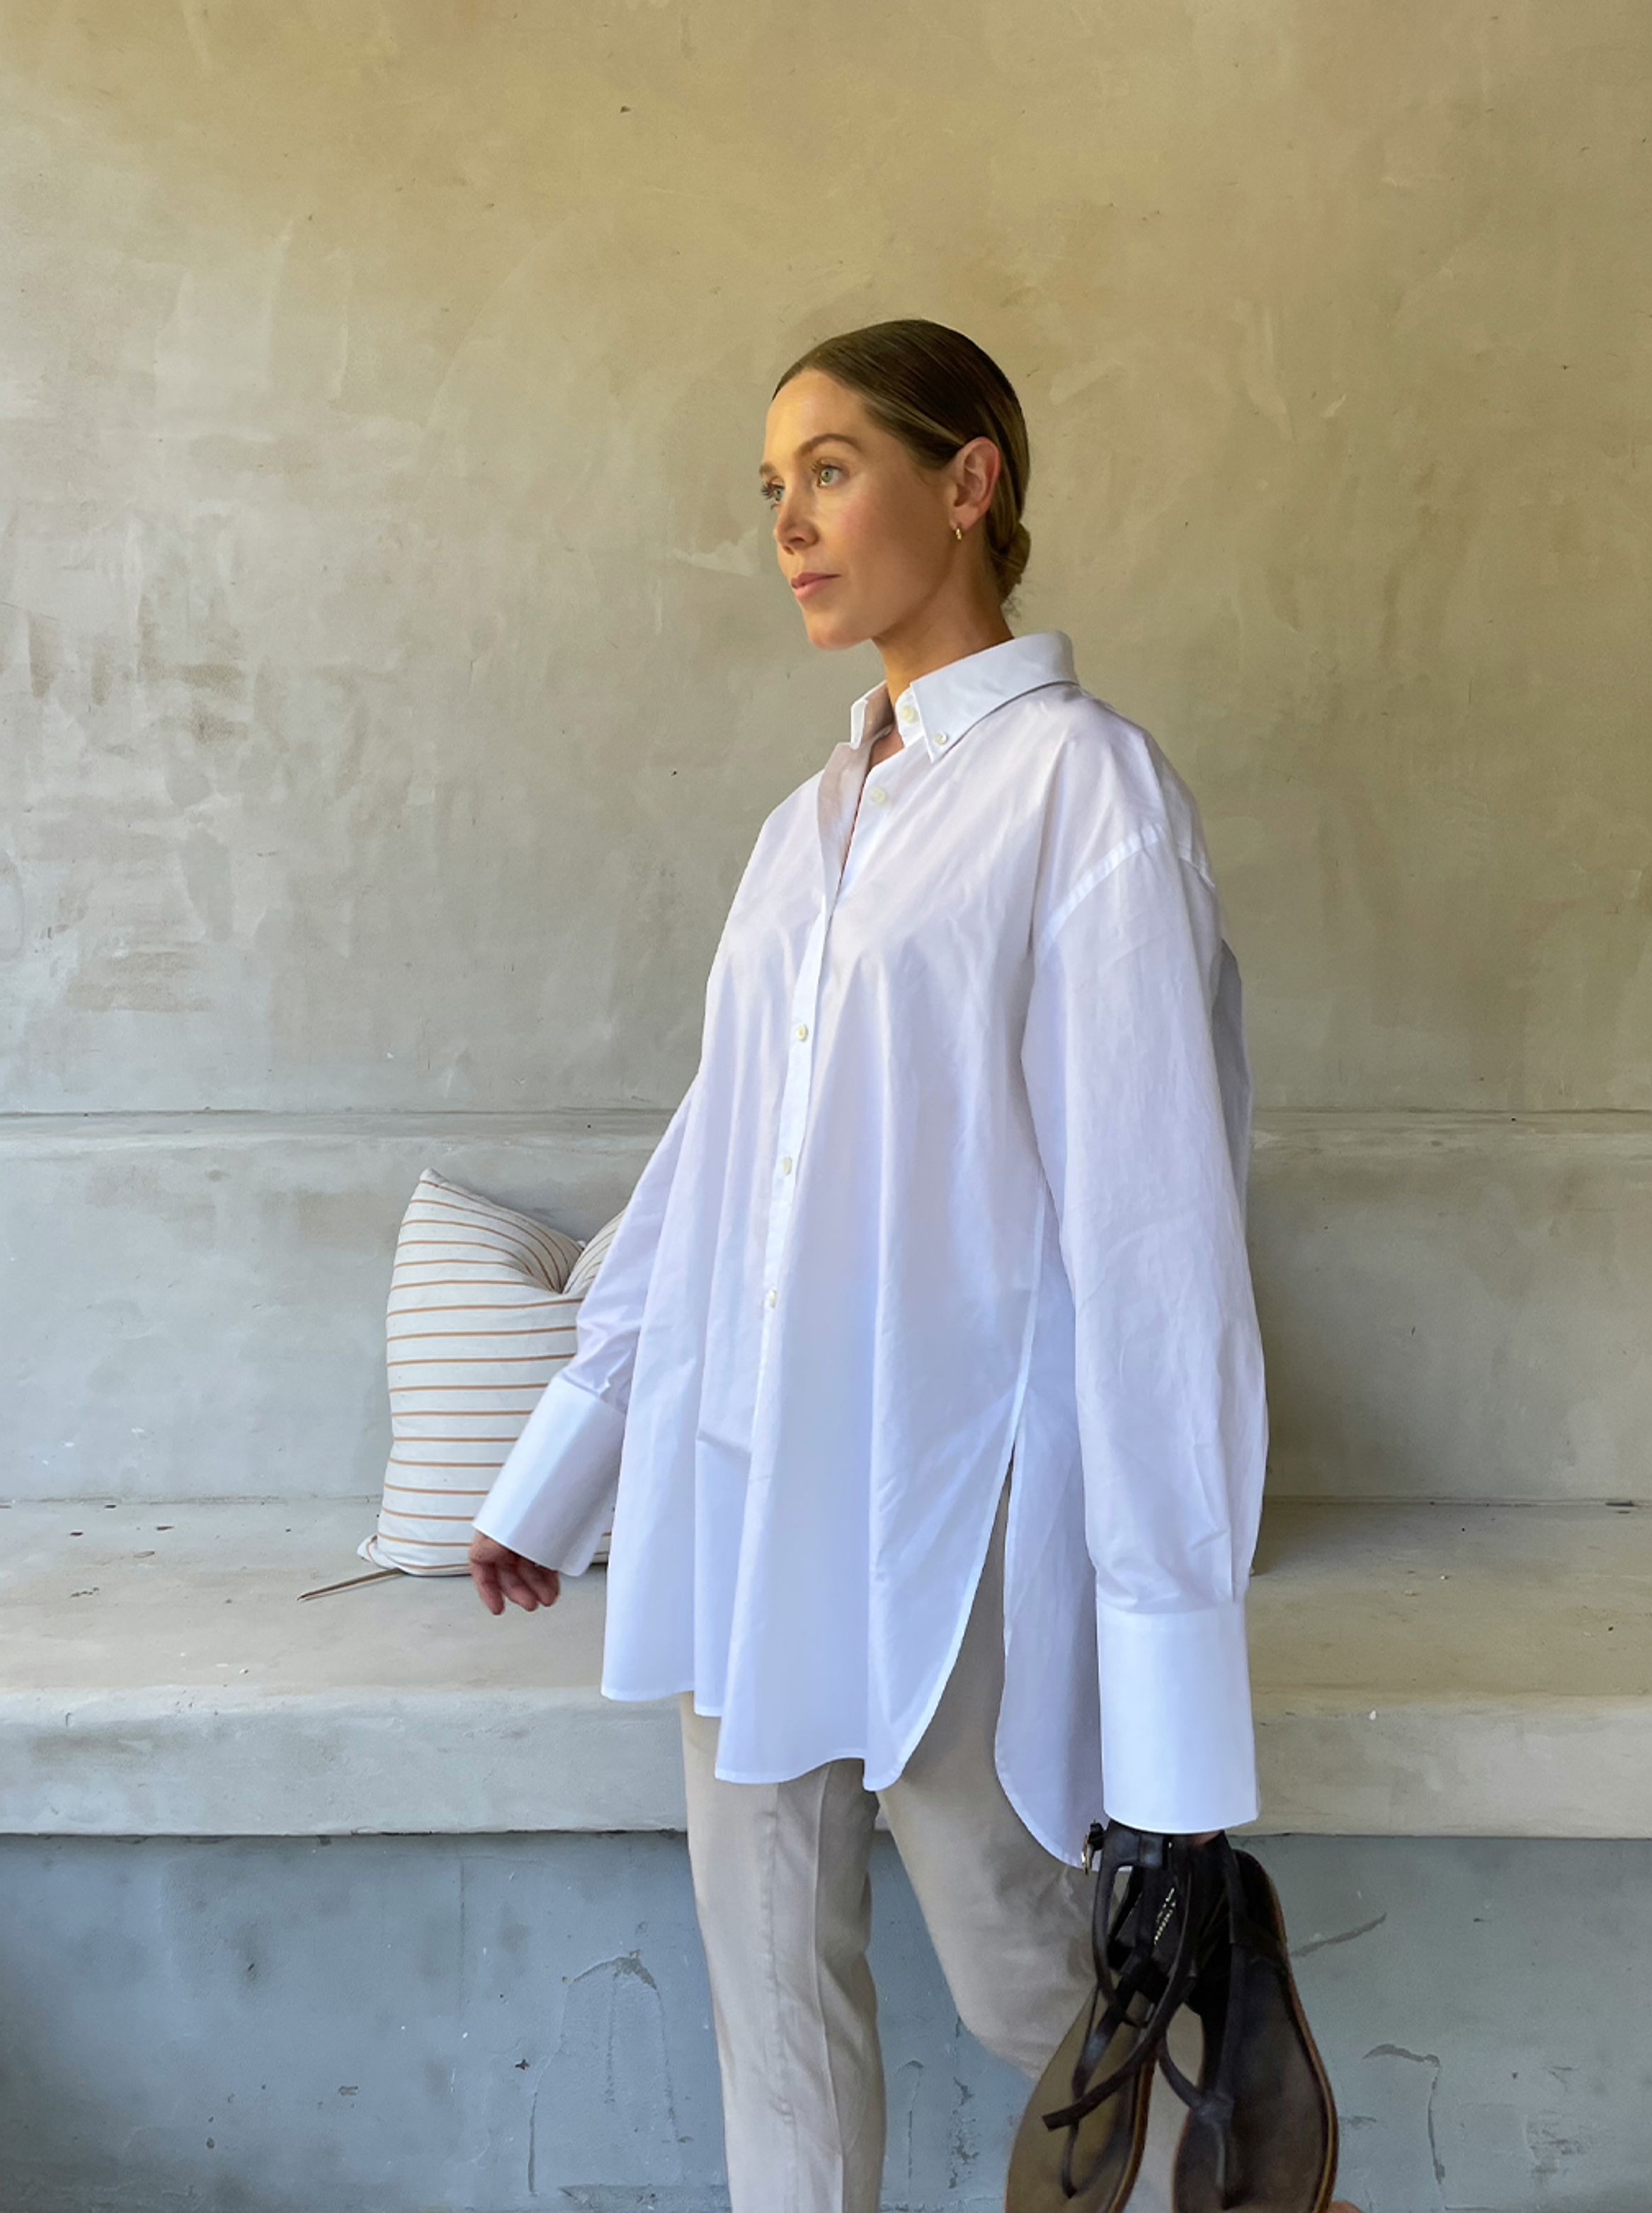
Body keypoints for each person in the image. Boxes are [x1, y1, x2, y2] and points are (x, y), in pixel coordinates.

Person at [467, 318, 1271, 2213]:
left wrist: (1172, 1706)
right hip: (730, 1481)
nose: (790, 527)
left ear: (966, 478)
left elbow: (1154, 1240)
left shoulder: (1087, 796)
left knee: (1029, 1980)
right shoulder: (805, 824)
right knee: (769, 1998)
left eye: (829, 469)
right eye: (771, 491)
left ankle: (1243, 2179)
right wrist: (562, 1468)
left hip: (942, 1497)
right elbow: (714, 1154)